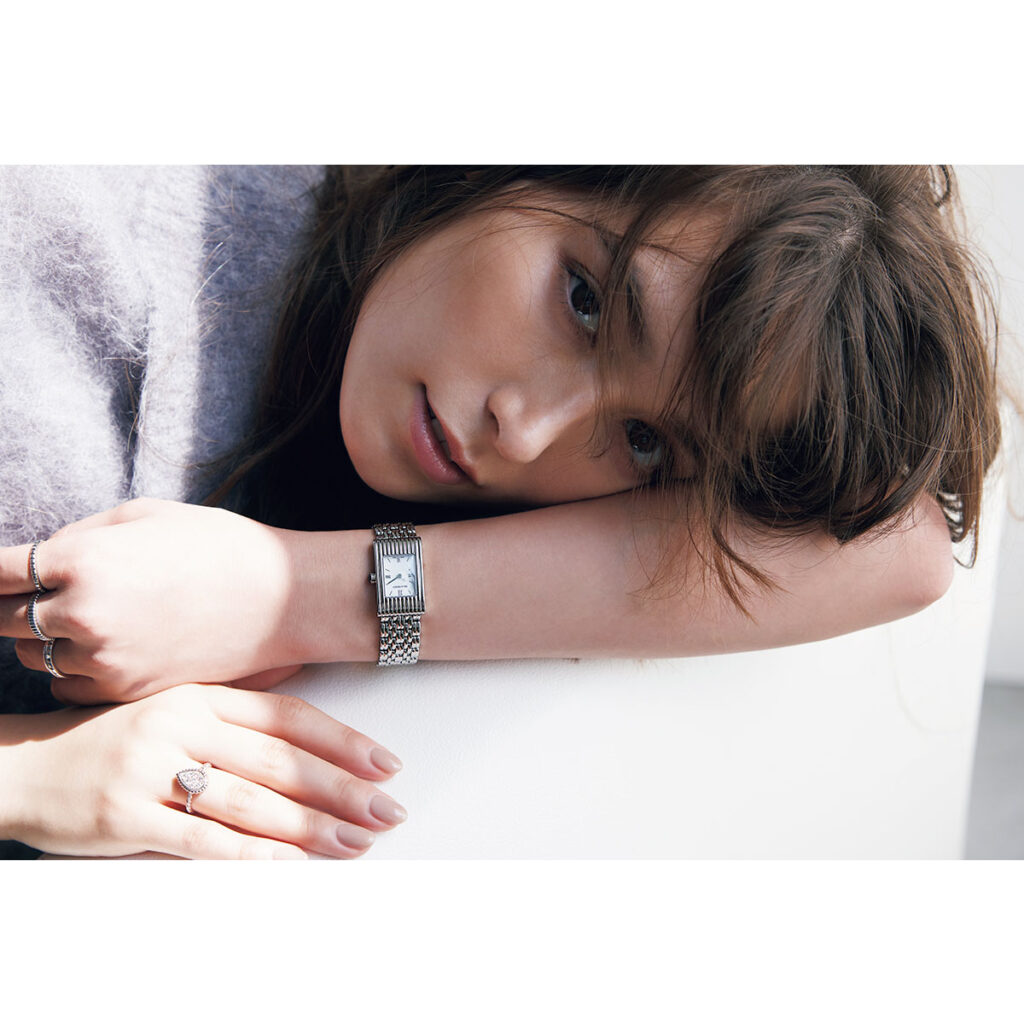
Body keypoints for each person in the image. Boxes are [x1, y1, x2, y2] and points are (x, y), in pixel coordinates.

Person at [0, 165, 1003, 859]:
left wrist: (295, 594)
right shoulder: (71, 256)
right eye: (584, 303)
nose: (525, 432)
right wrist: (30, 779)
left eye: (645, 442)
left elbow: (902, 546)